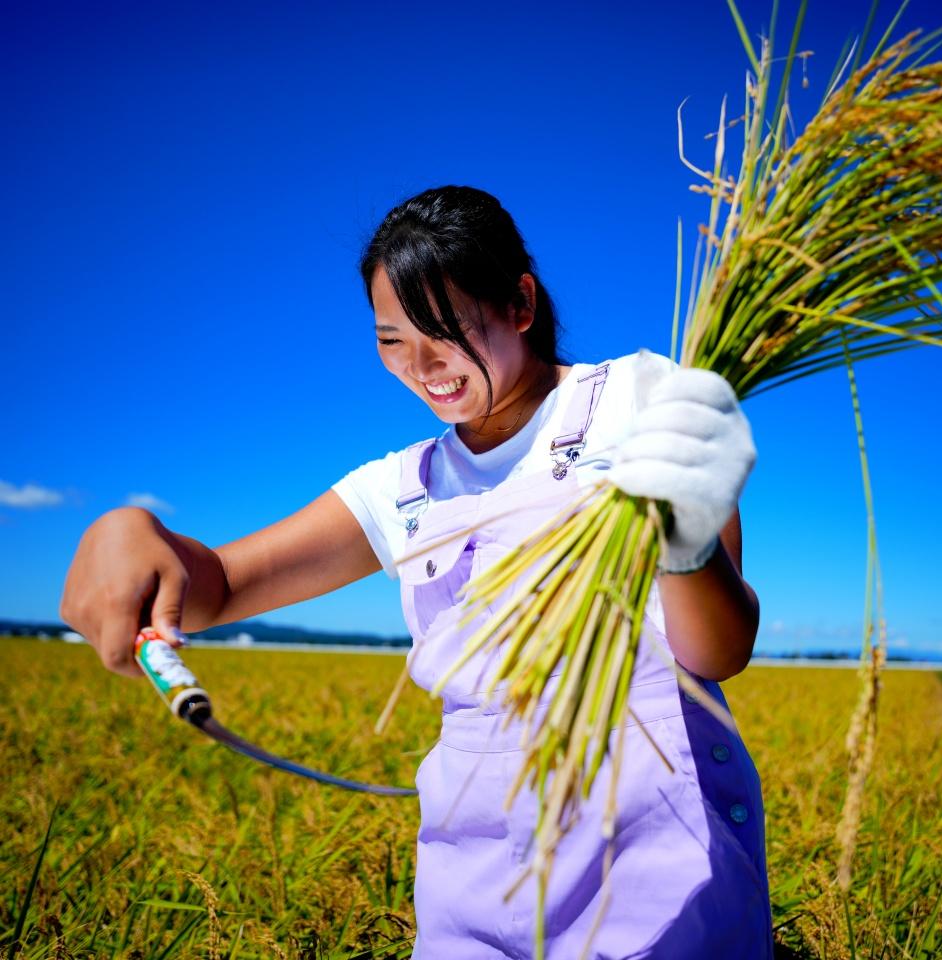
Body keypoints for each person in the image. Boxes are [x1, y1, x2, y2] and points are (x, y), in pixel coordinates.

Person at [60, 185, 772, 959]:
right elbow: (219, 586)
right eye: (392, 340)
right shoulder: (404, 487)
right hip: (473, 875)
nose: (422, 366)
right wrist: (131, 530)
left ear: (520, 303)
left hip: (652, 861)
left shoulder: (641, 400)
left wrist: (686, 544)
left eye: (445, 331)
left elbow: (717, 652)